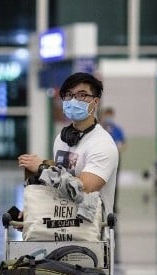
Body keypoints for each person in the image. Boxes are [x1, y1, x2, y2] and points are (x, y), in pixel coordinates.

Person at [18, 72, 119, 219]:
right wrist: (35, 208)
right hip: (60, 228)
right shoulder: (62, 138)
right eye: (69, 95)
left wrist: (42, 168)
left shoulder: (102, 144)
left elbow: (82, 189)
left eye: (82, 95)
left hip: (92, 234)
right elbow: (58, 186)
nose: (73, 100)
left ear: (95, 102)